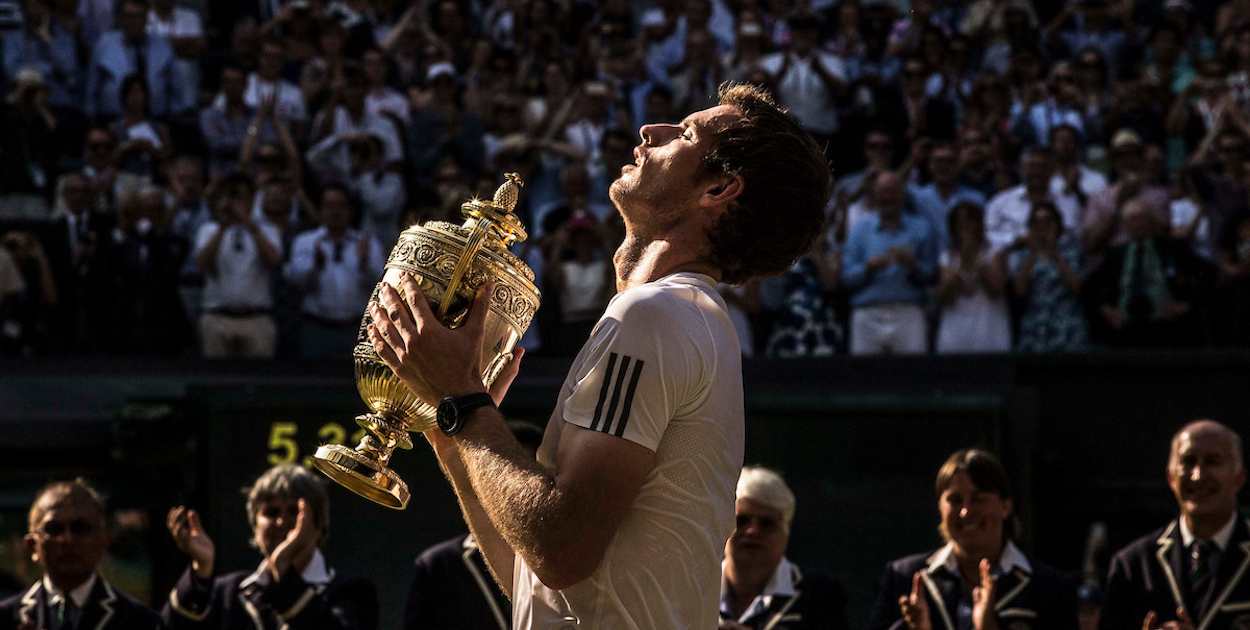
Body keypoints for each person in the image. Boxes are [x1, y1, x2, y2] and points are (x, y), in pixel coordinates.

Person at [366, 83, 830, 628]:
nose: (648, 132)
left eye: (683, 133)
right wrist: (455, 437)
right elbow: (538, 581)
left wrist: (463, 400)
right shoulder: (679, 317)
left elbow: (560, 549)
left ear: (720, 189)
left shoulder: (655, 317)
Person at [867, 449, 1079, 630]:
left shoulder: (1050, 588)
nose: (966, 512)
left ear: (1005, 506)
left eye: (978, 499)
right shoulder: (903, 579)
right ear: (940, 507)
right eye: (955, 500)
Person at [163, 464, 379, 630]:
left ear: (319, 526)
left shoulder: (352, 592)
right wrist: (201, 569)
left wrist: (283, 571)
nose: (281, 522)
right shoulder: (224, 593)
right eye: (271, 512)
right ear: (254, 526)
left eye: (294, 511)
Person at [1099, 420, 1248, 630]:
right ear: (1170, 477)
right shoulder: (1133, 565)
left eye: (1213, 462)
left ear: (1239, 478)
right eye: (1188, 461)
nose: (1198, 475)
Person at [403, 420, 546, 630]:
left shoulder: (571, 557)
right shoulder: (439, 564)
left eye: (529, 475)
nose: (514, 491)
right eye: (505, 475)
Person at [0, 479, 163, 630]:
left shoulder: (139, 621)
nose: (67, 539)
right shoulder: (7, 618)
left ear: (104, 541)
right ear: (32, 546)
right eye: (54, 529)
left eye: (81, 528)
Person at [719, 466, 849, 630]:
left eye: (767, 523)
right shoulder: (693, 588)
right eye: (741, 520)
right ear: (721, 526)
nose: (752, 531)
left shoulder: (821, 594)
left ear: (786, 530)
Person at [1085, 200, 1211, 348]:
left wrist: (1186, 304)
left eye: (1141, 217)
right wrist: (1105, 309)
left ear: (1151, 220)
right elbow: (1088, 287)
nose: (1138, 223)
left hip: (1167, 326)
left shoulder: (1171, 248)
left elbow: (1208, 273)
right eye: (1132, 218)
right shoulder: (1116, 255)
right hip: (1127, 328)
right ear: (1125, 225)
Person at [841, 171, 937, 355]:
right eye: (883, 191)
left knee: (913, 376)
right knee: (863, 378)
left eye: (892, 191)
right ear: (875, 194)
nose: (888, 197)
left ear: (902, 194)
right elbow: (845, 279)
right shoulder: (859, 230)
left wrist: (913, 266)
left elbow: (932, 274)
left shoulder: (921, 227)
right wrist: (867, 268)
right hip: (867, 315)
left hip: (909, 313)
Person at [285, 185, 386, 359]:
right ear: (321, 209)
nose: (335, 211)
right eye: (329, 206)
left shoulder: (368, 243)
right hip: (316, 328)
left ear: (350, 210)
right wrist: (315, 266)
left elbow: (382, 286)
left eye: (341, 205)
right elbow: (296, 283)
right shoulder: (306, 242)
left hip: (357, 328)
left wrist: (364, 264)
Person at [194, 173, 282, 359]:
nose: (234, 202)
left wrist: (249, 224)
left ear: (251, 199)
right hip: (217, 318)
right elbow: (203, 264)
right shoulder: (209, 230)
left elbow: (273, 261)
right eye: (229, 196)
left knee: (258, 380)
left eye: (239, 196)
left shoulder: (268, 230)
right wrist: (223, 225)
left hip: (256, 319)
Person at [1010, 201, 1089, 352]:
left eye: (1048, 220)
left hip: (1067, 329)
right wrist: (1033, 253)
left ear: (1057, 224)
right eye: (1037, 222)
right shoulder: (1024, 255)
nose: (1043, 226)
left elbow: (1077, 287)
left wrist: (1055, 253)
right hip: (1035, 329)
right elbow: (1019, 291)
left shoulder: (1071, 250)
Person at [935, 202, 1011, 354]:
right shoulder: (947, 256)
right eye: (959, 221)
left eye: (970, 220)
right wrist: (962, 262)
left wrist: (975, 261)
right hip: (956, 330)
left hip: (988, 327)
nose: (965, 226)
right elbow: (944, 296)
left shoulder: (995, 252)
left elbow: (996, 288)